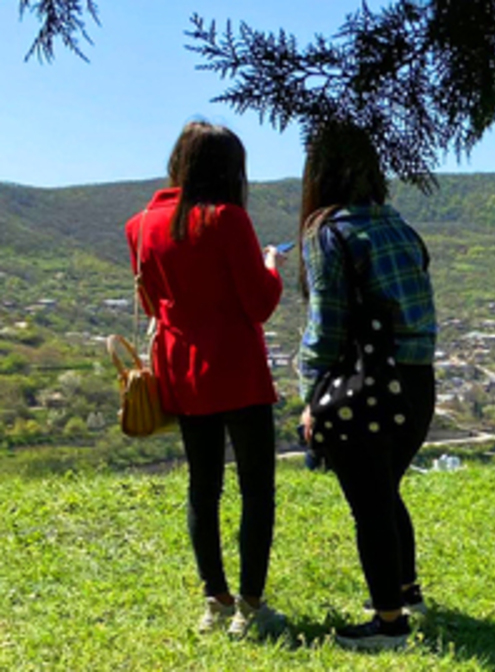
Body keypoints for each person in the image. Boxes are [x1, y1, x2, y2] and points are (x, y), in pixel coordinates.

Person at [123, 121, 286, 637]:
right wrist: (271, 265)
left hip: (181, 371)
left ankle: (214, 602)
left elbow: (150, 301)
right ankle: (251, 607)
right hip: (236, 368)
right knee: (256, 488)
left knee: (203, 486)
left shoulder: (141, 224)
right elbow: (259, 304)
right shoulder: (228, 219)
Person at [296, 120, 437, 652]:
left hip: (363, 385)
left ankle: (389, 623)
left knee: (369, 505)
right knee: (386, 491)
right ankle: (406, 591)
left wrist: (311, 397)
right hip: (417, 383)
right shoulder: (400, 226)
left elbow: (325, 330)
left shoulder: (329, 233)